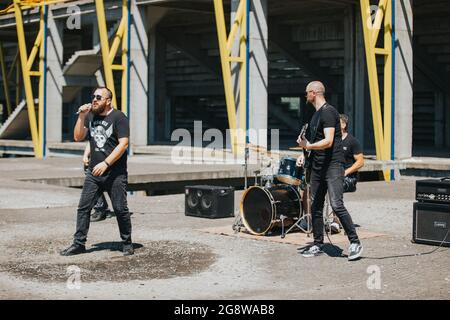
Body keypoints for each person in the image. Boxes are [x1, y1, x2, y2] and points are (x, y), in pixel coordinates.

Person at [60, 87, 134, 256]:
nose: (94, 99)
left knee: (120, 209)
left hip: (115, 173)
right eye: (93, 96)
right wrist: (81, 116)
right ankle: (79, 244)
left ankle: (127, 242)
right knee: (83, 208)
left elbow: (123, 144)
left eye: (99, 97)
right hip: (94, 172)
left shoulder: (119, 117)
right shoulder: (90, 116)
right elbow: (79, 137)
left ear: (108, 101)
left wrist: (106, 163)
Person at [296, 81, 363, 261]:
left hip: (333, 166)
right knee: (316, 206)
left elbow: (328, 141)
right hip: (318, 166)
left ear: (313, 93)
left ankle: (355, 242)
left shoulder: (328, 112)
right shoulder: (315, 115)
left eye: (306, 93)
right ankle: (318, 243)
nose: (305, 96)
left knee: (336, 204)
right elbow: (315, 143)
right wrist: (305, 153)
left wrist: (308, 145)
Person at [325, 114, 365, 234]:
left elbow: (361, 162)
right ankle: (309, 220)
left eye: (336, 122)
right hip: (334, 174)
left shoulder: (352, 141)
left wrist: (345, 172)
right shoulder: (332, 141)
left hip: (348, 178)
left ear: (343, 125)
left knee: (333, 186)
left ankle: (336, 221)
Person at [83, 143, 114, 222]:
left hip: (109, 159)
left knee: (113, 185)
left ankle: (108, 208)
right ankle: (101, 208)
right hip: (94, 158)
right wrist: (86, 155)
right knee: (94, 183)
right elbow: (91, 140)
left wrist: (107, 162)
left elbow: (122, 144)